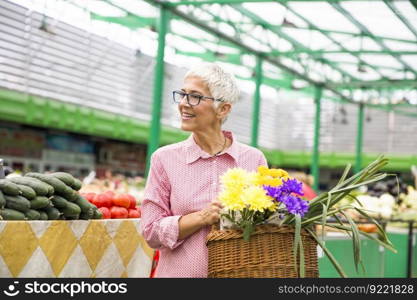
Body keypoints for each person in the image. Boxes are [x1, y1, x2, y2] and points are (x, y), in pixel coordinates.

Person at [140, 63, 268, 277]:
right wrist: (201, 217)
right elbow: (150, 231)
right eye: (182, 94)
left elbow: (265, 226)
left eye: (195, 97)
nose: (183, 104)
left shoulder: (253, 159)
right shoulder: (165, 159)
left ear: (223, 109)